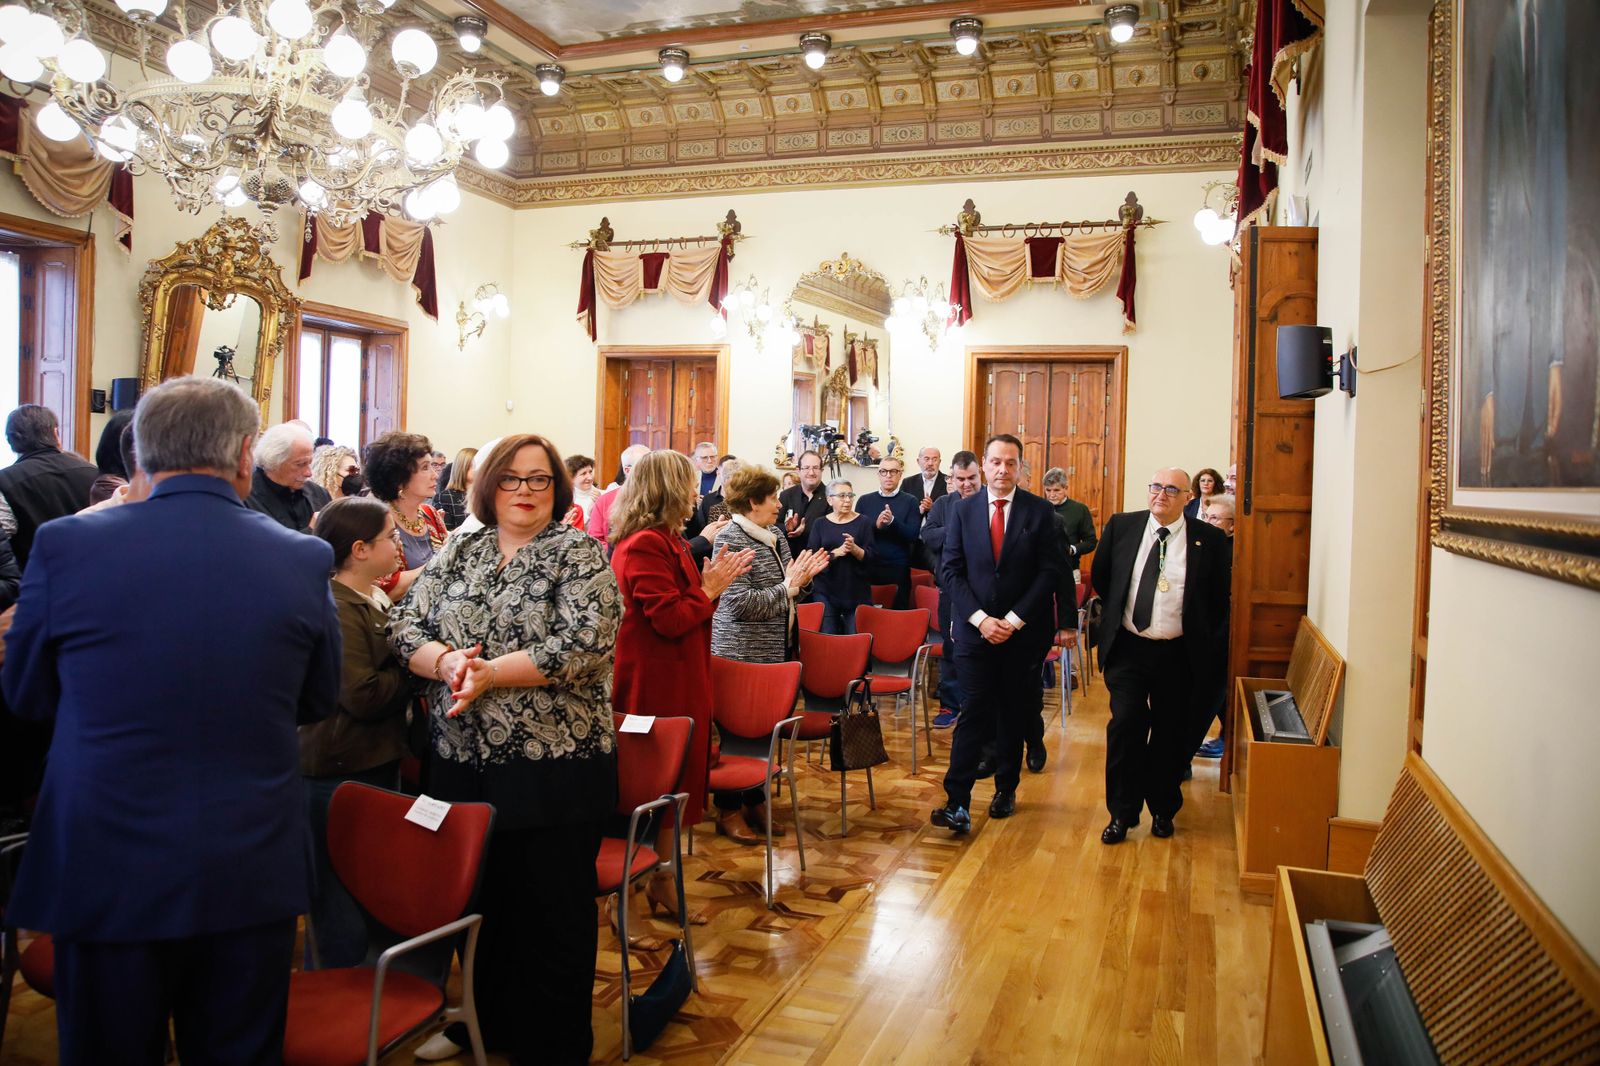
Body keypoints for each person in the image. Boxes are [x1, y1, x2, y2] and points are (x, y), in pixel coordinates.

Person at [1, 376, 340, 1065]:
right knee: (239, 1050)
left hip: (106, 851)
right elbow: (317, 700)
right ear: (247, 454)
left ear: (140, 453)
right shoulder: (302, 555)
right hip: (248, 854)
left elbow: (26, 694)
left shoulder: (68, 547)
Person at [391, 434, 620, 1066]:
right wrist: (443, 662)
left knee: (549, 912)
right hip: (460, 760)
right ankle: (479, 1023)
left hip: (555, 765)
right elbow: (403, 623)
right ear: (488, 485)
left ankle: (552, 1042)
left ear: (558, 488)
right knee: (476, 903)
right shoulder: (459, 549)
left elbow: (586, 645)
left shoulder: (579, 554)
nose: (524, 491)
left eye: (539, 480)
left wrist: (492, 672)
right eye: (512, 479)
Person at [609, 451, 752, 915]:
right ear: (669, 490)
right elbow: (668, 619)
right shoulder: (642, 545)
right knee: (652, 785)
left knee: (677, 784)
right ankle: (631, 883)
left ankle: (662, 878)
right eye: (690, 485)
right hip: (655, 682)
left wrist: (708, 585)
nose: (697, 494)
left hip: (681, 675)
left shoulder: (669, 540)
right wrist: (710, 589)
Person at [931, 435, 1070, 834]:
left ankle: (1005, 789)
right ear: (984, 465)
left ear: (1021, 468)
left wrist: (1012, 619)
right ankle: (956, 800)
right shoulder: (962, 510)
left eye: (1011, 463)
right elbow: (951, 571)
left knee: (1012, 710)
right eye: (995, 462)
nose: (1002, 470)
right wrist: (979, 618)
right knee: (973, 711)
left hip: (1023, 634)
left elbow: (1049, 572)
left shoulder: (1040, 511)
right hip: (975, 633)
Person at [1091, 468, 1231, 844]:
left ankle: (1163, 809)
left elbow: (1218, 600)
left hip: (1179, 655)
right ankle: (1122, 814)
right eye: (1156, 487)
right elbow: (1104, 579)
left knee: (1170, 734)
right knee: (1126, 726)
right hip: (1129, 650)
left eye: (1172, 489)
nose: (1161, 495)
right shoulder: (1122, 527)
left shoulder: (1210, 540)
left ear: (1189, 497)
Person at [301, 496, 412, 969]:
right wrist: (418, 668)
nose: (400, 543)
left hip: (368, 760)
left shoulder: (368, 595)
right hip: (341, 765)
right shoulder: (338, 606)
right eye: (390, 536)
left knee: (367, 877)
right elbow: (362, 694)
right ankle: (336, 993)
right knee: (340, 889)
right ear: (360, 549)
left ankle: (365, 986)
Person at [710, 466, 829, 841]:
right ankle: (728, 810)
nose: (780, 504)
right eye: (773, 498)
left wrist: (800, 584)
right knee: (736, 734)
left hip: (775, 649)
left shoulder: (774, 534)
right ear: (751, 503)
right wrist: (790, 588)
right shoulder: (728, 539)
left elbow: (786, 588)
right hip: (740, 653)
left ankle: (756, 801)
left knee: (764, 733)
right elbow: (739, 605)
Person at [921, 451, 982, 729]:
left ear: (980, 475)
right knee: (951, 647)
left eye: (972, 478)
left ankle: (976, 705)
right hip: (951, 591)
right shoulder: (944, 504)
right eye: (961, 479)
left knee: (979, 651)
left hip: (983, 592)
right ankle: (950, 704)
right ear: (952, 478)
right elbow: (928, 536)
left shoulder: (989, 503)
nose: (967, 484)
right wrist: (954, 530)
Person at [0, 404, 100, 569]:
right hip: (89, 578)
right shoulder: (94, 473)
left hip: (34, 583)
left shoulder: (5, 482)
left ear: (11, 441)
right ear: (55, 433)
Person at [364, 431, 445, 601]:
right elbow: (386, 588)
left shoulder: (429, 514)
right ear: (399, 479)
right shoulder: (378, 521)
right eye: (425, 467)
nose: (435, 475)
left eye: (433, 466)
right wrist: (443, 560)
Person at [1194, 493, 1237, 760]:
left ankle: (1227, 739)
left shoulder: (1235, 551)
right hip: (1200, 631)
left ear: (1232, 525)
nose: (1208, 523)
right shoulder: (1202, 545)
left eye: (1215, 518)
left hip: (1223, 633)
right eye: (1206, 517)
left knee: (1214, 693)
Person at [806, 478, 876, 634]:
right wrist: (834, 554)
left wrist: (854, 548)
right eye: (842, 495)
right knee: (828, 639)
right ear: (830, 500)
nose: (847, 500)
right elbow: (811, 559)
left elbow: (872, 558)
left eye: (850, 495)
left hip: (856, 592)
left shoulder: (864, 522)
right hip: (825, 591)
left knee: (857, 641)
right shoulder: (820, 524)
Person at [856, 455, 922, 608]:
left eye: (893, 471)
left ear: (900, 474)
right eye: (884, 471)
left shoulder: (910, 501)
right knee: (867, 615)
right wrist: (876, 525)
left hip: (897, 566)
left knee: (898, 616)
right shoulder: (864, 501)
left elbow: (912, 535)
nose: (888, 476)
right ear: (878, 474)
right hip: (870, 565)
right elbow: (857, 535)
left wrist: (893, 521)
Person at [246, 421, 327, 533]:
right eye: (300, 464)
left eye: (309, 463)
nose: (309, 473)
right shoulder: (246, 498)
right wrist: (311, 531)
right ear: (274, 462)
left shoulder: (319, 493)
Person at [586, 442, 648, 542]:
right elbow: (595, 540)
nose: (651, 471)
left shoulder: (659, 496)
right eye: (644, 466)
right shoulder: (605, 500)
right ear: (628, 470)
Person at [778, 450, 831, 561]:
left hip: (820, 562)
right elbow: (773, 525)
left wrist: (805, 531)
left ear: (822, 470)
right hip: (790, 561)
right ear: (798, 471)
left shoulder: (831, 496)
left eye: (815, 468)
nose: (811, 472)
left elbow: (833, 530)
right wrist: (788, 530)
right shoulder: (786, 495)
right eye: (806, 468)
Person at [903, 446, 947, 571]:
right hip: (912, 539)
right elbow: (902, 512)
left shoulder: (949, 482)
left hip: (936, 542)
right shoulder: (908, 483)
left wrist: (934, 508)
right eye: (926, 459)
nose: (930, 463)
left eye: (934, 459)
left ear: (939, 462)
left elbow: (952, 512)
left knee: (938, 570)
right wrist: (919, 510)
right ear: (918, 461)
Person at [432, 446, 478, 532]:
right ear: (463, 468)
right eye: (474, 465)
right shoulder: (445, 498)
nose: (478, 469)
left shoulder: (486, 496)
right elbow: (445, 534)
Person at [566, 453, 598, 527]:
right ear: (571, 478)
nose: (590, 477)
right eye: (583, 473)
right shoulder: (565, 501)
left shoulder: (602, 495)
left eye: (590, 472)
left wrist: (601, 506)